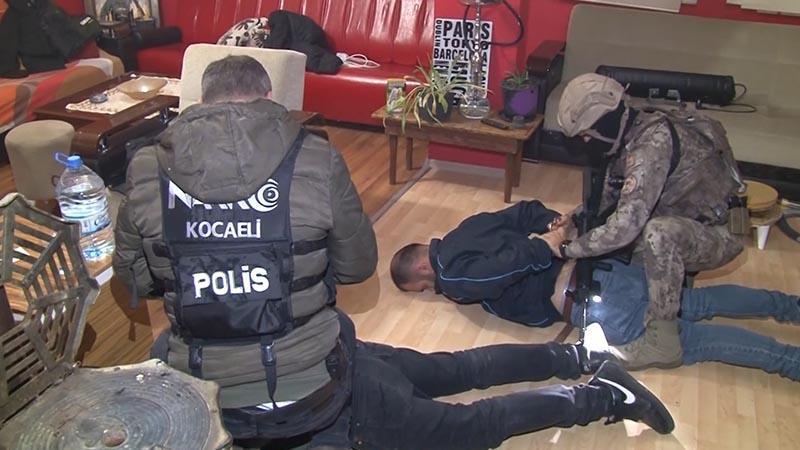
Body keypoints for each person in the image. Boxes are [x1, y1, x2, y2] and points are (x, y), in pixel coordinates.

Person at [114, 55, 674, 449]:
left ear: (200, 100)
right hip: (322, 362)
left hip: (254, 391)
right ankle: (579, 362)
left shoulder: (144, 169)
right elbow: (357, 266)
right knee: (456, 371)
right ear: (270, 97)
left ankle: (600, 396)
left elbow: (135, 283)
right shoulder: (311, 156)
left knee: (466, 425)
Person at [391, 201, 800, 382]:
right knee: (696, 302)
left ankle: (791, 363)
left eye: (423, 287)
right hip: (602, 269)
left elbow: (497, 272)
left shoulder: (452, 278)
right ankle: (790, 307)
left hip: (596, 304)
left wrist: (542, 247)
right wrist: (553, 223)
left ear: (423, 267)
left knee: (692, 341)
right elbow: (523, 212)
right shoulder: (467, 228)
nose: (432, 292)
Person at [552, 73, 747, 369]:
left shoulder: (651, 146)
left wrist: (568, 249)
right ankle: (675, 299)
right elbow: (611, 198)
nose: (586, 142)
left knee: (657, 235)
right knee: (637, 259)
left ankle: (663, 343)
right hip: (690, 221)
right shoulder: (632, 132)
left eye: (587, 135)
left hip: (720, 232)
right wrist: (573, 218)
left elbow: (624, 227)